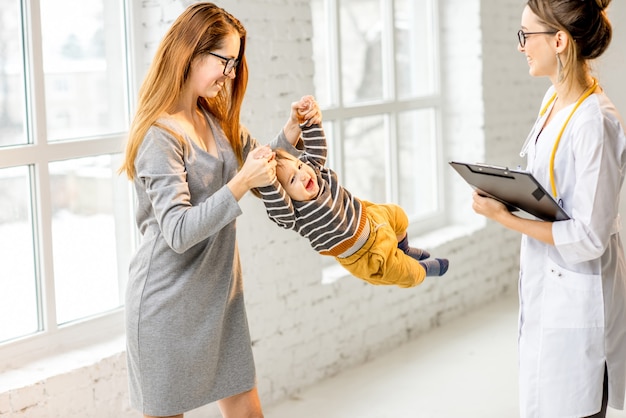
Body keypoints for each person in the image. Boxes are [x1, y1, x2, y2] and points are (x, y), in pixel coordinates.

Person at [119, 3, 320, 418]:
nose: (231, 73)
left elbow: (264, 166)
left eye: (235, 62)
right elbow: (176, 231)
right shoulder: (159, 136)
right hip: (166, 307)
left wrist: (291, 130)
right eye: (225, 61)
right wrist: (241, 181)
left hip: (220, 299)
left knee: (248, 411)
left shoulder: (215, 120)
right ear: (191, 52)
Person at [472, 1, 626, 417]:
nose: (520, 46)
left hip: (579, 295)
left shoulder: (596, 122)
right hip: (548, 286)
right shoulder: (552, 101)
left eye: (526, 35)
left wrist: (507, 219)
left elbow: (589, 237)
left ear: (559, 40)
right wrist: (506, 192)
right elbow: (551, 186)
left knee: (576, 403)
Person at [256, 98, 449, 288]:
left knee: (398, 215)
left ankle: (403, 248)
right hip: (367, 255)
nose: (302, 174)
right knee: (407, 274)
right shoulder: (295, 214)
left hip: (371, 217)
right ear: (284, 195)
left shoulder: (313, 171)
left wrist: (309, 121)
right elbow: (277, 203)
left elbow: (317, 149)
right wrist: (267, 182)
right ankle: (424, 269)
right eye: (292, 180)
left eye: (298, 166)